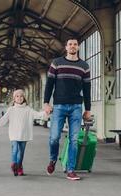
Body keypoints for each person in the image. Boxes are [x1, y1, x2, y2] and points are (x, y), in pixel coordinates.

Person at [43, 38, 91, 181]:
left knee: (74, 139)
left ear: (78, 47)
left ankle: (71, 170)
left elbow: (87, 89)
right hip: (59, 105)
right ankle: (52, 160)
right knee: (54, 138)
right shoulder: (57, 63)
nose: (72, 46)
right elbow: (49, 84)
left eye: (75, 44)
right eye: (70, 44)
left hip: (76, 106)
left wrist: (88, 109)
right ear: (66, 47)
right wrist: (46, 102)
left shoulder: (84, 66)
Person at [0, 89, 46, 176]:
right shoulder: (11, 109)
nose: (19, 98)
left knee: (21, 152)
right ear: (14, 98)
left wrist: (46, 112)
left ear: (24, 98)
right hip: (14, 134)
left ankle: (19, 166)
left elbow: (38, 114)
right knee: (15, 149)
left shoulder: (28, 109)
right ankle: (14, 164)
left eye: (21, 96)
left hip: (24, 134)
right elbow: (3, 120)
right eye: (17, 96)